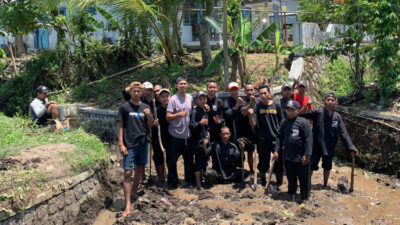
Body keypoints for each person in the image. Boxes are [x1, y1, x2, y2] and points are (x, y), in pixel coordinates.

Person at [301, 92, 359, 188]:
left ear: (335, 102)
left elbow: (344, 133)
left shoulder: (337, 117)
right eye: (328, 100)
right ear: (325, 101)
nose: (330, 102)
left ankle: (324, 185)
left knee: (327, 167)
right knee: (311, 165)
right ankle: (307, 184)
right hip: (316, 145)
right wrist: (307, 105)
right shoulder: (318, 112)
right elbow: (302, 114)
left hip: (329, 146)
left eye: (332, 100)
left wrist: (351, 147)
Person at [117, 81, 153, 217]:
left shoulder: (146, 106)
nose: (137, 93)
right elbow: (120, 126)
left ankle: (134, 192)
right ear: (130, 92)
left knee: (139, 169)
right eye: (134, 91)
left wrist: (149, 115)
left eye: (139, 91)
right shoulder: (124, 107)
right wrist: (121, 144)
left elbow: (150, 127)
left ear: (142, 92)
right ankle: (127, 205)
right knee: (127, 173)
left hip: (143, 143)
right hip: (129, 144)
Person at [273, 100, 313, 201]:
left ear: (298, 110)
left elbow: (309, 139)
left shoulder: (304, 122)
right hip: (288, 156)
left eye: (292, 110)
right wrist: (277, 150)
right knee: (291, 177)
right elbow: (279, 137)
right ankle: (291, 193)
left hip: (301, 156)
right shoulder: (284, 122)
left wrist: (307, 154)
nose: (290, 112)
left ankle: (305, 196)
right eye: (288, 110)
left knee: (304, 178)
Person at [248, 85, 285, 186]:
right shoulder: (257, 106)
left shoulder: (277, 105)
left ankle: (279, 182)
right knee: (263, 162)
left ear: (269, 93)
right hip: (263, 139)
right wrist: (250, 116)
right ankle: (263, 181)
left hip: (276, 138)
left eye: (265, 93)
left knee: (278, 161)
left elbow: (282, 121)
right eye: (261, 94)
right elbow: (253, 124)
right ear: (259, 95)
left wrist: (283, 138)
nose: (263, 96)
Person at [166, 77, 194, 188]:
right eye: (180, 84)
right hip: (175, 135)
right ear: (177, 86)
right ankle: (173, 183)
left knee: (189, 160)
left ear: (187, 86)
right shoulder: (173, 99)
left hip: (188, 135)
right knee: (172, 161)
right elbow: (167, 117)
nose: (183, 85)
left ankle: (189, 181)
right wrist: (178, 114)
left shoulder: (190, 98)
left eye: (185, 84)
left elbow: (192, 110)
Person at [190, 91, 210, 190]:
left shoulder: (205, 110)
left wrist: (208, 134)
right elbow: (192, 126)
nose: (202, 101)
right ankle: (198, 185)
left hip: (205, 140)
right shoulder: (194, 111)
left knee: (205, 161)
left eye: (204, 99)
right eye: (200, 99)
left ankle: (204, 180)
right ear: (196, 100)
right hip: (197, 141)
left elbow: (207, 126)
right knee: (198, 162)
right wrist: (200, 123)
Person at [152, 88, 170, 184]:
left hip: (170, 137)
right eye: (162, 97)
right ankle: (161, 178)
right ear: (159, 99)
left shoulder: (172, 109)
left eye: (167, 96)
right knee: (158, 157)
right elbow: (150, 124)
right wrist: (154, 123)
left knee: (169, 158)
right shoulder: (156, 110)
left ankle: (170, 176)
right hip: (158, 138)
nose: (165, 98)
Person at [239, 83, 258, 174]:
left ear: (254, 90)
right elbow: (244, 113)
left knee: (260, 151)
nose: (250, 92)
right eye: (248, 90)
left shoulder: (259, 101)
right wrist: (250, 103)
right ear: (245, 91)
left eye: (251, 90)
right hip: (247, 131)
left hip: (258, 130)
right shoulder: (243, 102)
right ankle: (251, 170)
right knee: (250, 152)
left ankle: (261, 170)